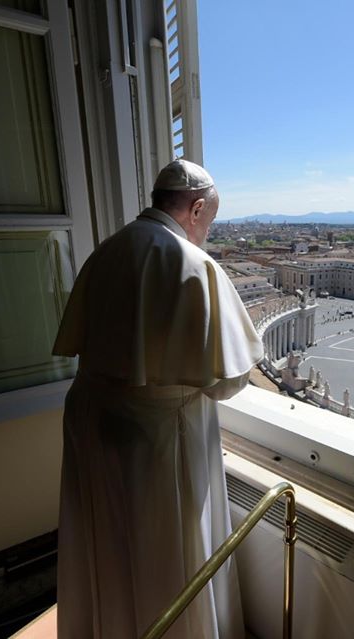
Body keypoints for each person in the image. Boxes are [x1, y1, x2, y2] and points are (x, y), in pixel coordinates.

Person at [52, 159, 263, 639]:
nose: (206, 232)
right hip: (155, 438)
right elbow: (227, 383)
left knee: (104, 542)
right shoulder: (191, 264)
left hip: (90, 419)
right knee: (164, 558)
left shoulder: (106, 250)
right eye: (208, 221)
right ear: (195, 208)